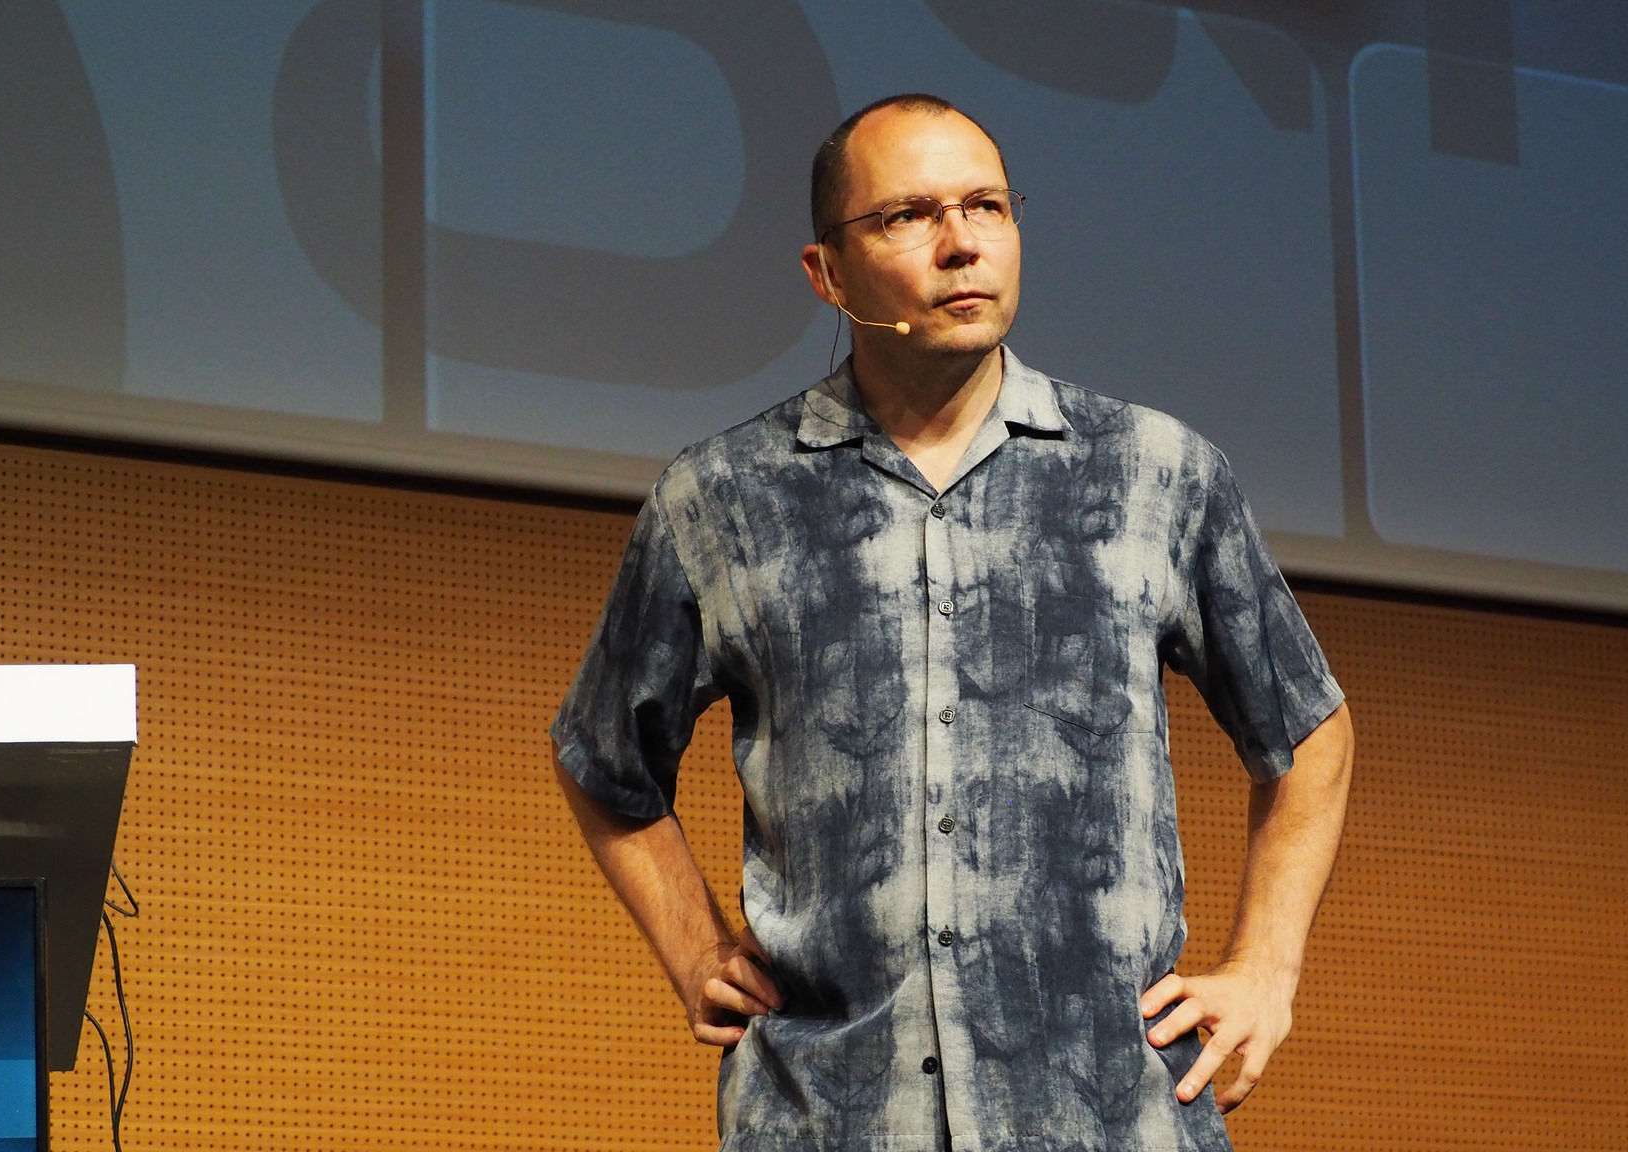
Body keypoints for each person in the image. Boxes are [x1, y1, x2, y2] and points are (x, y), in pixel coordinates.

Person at [552, 92, 1355, 1152]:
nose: (961, 243)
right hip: (835, 1115)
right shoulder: (726, 497)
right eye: (907, 216)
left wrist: (1266, 968)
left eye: (986, 206)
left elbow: (1307, 728)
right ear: (826, 274)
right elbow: (602, 755)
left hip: (1107, 1116)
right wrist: (694, 947)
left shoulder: (1152, 472)